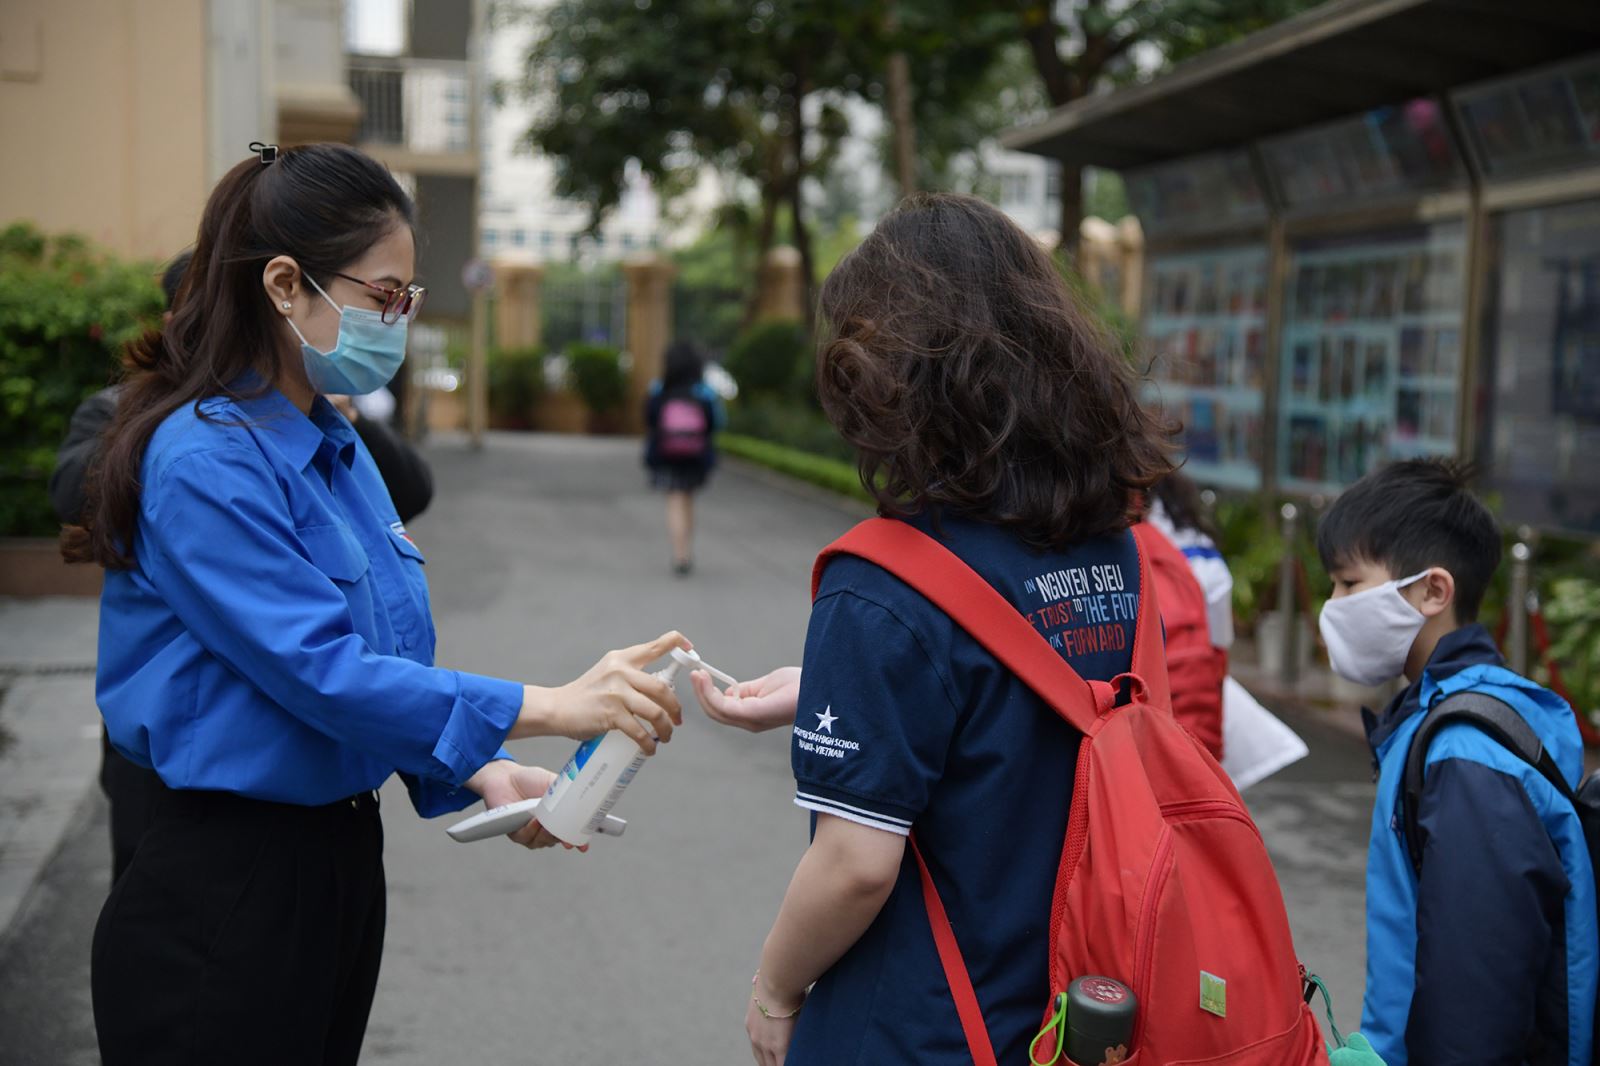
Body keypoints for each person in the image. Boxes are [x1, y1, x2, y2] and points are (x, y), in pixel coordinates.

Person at [63, 142, 688, 1066]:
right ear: (284, 285)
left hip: (336, 867)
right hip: (226, 885)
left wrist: (476, 773)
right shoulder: (203, 461)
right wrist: (547, 707)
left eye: (409, 299)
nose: (398, 320)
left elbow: (385, 657)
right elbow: (319, 671)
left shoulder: (331, 445)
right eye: (383, 296)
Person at [696, 192, 1177, 1065]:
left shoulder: (884, 584)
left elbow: (855, 866)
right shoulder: (1118, 550)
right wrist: (832, 691)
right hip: (1084, 1018)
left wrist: (774, 988)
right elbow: (1036, 702)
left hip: (927, 1029)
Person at [1318, 459, 1596, 1065]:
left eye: (1348, 583)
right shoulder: (1458, 718)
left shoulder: (1463, 752)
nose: (1332, 605)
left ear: (1433, 591)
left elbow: (1476, 987)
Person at [1139, 473, 1230, 758]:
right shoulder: (1202, 548)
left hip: (1142, 729)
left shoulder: (1122, 541)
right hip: (1195, 727)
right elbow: (1220, 648)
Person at [642, 339, 724, 576]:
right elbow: (715, 423)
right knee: (687, 500)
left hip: (667, 455)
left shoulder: (659, 390)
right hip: (695, 456)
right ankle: (686, 549)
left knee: (675, 500)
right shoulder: (703, 392)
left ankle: (680, 555)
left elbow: (649, 420)